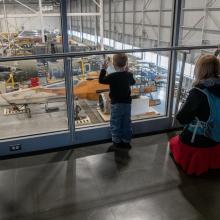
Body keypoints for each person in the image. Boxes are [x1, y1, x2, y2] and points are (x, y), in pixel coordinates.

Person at [169, 54, 220, 175]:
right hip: (217, 137)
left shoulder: (198, 92)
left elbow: (182, 118)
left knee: (174, 142)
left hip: (200, 141)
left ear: (199, 70)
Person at [99, 53, 136, 151]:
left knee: (116, 122)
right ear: (125, 64)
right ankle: (126, 140)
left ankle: (116, 141)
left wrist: (103, 69)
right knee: (126, 122)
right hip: (127, 104)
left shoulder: (112, 76)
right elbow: (133, 82)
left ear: (114, 65)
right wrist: (128, 72)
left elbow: (101, 80)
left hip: (116, 104)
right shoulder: (128, 75)